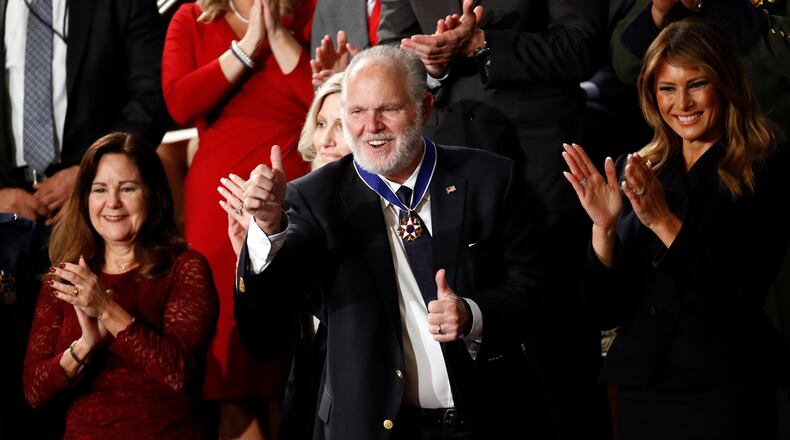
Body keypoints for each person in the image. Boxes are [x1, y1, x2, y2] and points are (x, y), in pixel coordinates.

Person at [232, 44, 549, 439]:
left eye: (388, 109)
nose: (372, 126)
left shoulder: (489, 178)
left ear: (424, 108)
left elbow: (537, 291)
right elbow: (264, 331)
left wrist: (474, 315)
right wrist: (267, 228)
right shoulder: (316, 199)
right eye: (357, 112)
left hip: (491, 419)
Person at [562, 19, 790, 439]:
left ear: (725, 83)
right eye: (667, 88)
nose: (682, 103)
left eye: (696, 84)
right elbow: (605, 310)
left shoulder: (764, 167)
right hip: (643, 388)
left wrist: (662, 221)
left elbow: (733, 298)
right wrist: (604, 228)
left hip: (723, 386)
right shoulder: (642, 168)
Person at [0, 2, 170, 437]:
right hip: (5, 207)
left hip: (93, 212)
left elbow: (151, 97)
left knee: (82, 380)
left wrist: (90, 174)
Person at [161, 0, 315, 436]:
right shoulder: (191, 18)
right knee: (231, 371)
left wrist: (278, 36)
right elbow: (180, 103)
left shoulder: (311, 11)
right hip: (220, 204)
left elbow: (325, 101)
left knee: (291, 361)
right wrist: (248, 46)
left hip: (294, 198)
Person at [22, 132, 218, 438]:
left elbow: (179, 373)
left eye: (127, 188)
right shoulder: (66, 277)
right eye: (100, 189)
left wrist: (107, 310)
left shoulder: (184, 267)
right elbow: (34, 391)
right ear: (85, 199)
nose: (112, 202)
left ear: (152, 194)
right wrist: (85, 346)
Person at [219, 72, 348, 440]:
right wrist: (257, 253)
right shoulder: (290, 215)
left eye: (341, 125)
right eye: (321, 124)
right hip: (308, 412)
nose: (326, 139)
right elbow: (263, 342)